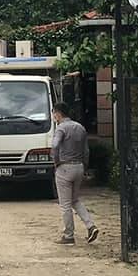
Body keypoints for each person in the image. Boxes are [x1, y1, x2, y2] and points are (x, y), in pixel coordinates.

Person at [50, 103, 99, 245]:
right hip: (79, 166)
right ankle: (90, 226)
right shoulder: (80, 127)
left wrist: (56, 161)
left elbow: (55, 145)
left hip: (65, 167)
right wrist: (85, 166)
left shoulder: (61, 128)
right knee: (75, 200)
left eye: (54, 113)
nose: (54, 116)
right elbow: (86, 151)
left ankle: (68, 235)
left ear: (58, 114)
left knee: (65, 204)